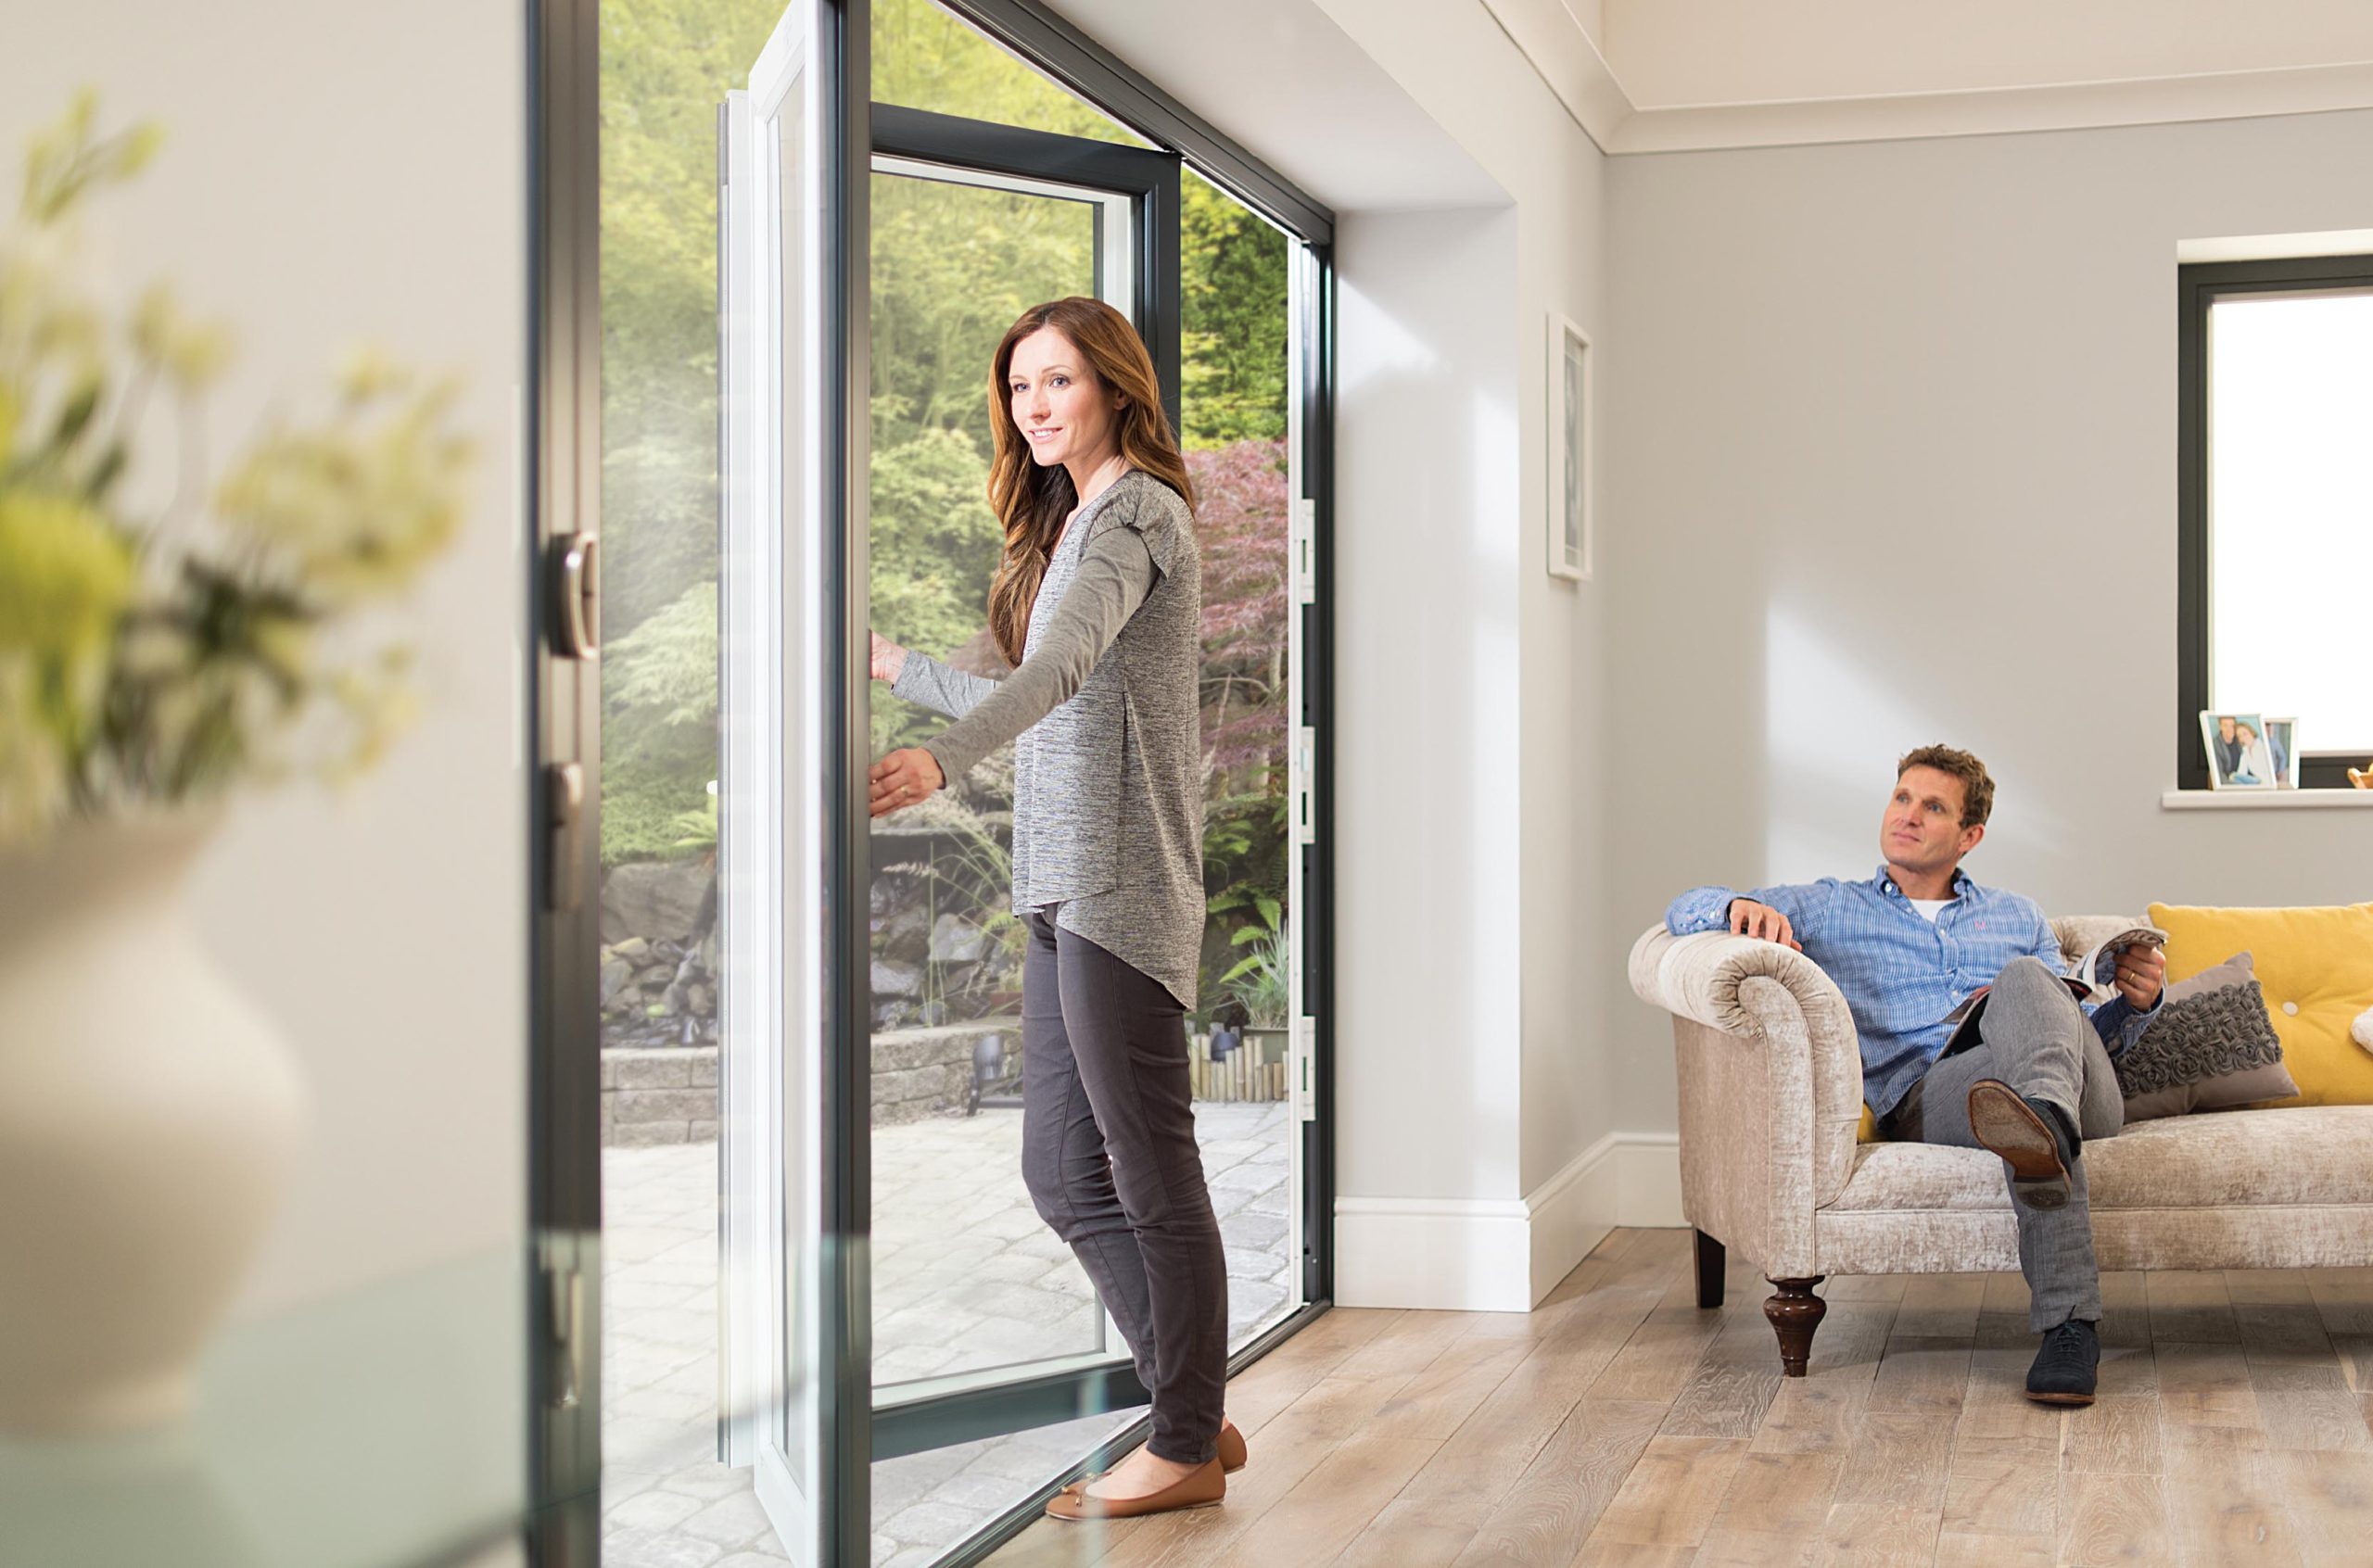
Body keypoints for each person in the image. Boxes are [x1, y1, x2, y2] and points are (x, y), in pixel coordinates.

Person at [867, 297, 1237, 1520]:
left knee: (1148, 1171)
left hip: (1119, 883)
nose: (1034, 404)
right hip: (1059, 885)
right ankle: (1195, 1407)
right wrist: (890, 670)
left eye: (1058, 380)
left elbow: (1063, 668)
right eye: (1020, 385)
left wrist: (940, 761)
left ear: (1112, 388)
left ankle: (1181, 1440)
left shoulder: (1135, 510)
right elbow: (1029, 681)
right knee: (1063, 1173)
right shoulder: (1077, 521)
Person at [1664, 745, 2165, 1405]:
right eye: (1902, 798)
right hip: (1938, 1093)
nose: (1909, 815)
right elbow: (1681, 909)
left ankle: (2042, 1123)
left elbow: (2070, 1036)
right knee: (2016, 1086)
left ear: (1969, 836)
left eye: (1933, 807)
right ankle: (2070, 1328)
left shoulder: (2019, 916)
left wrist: (2137, 1005)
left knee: (2027, 983)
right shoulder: (1829, 907)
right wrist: (1733, 907)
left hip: (2068, 1090)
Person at [2232, 721, 2274, 787]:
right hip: (2256, 782)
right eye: (2239, 736)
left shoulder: (2262, 748)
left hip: (2267, 783)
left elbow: (2269, 772)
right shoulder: (2245, 752)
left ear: (2251, 732)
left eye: (2245, 734)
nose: (2243, 738)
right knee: (2233, 776)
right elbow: (2241, 773)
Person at [2213, 714, 2244, 781]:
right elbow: (2219, 773)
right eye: (2226, 725)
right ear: (2220, 727)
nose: (2230, 729)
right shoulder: (2215, 744)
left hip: (2243, 779)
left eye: (2232, 726)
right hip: (2229, 782)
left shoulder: (2240, 738)